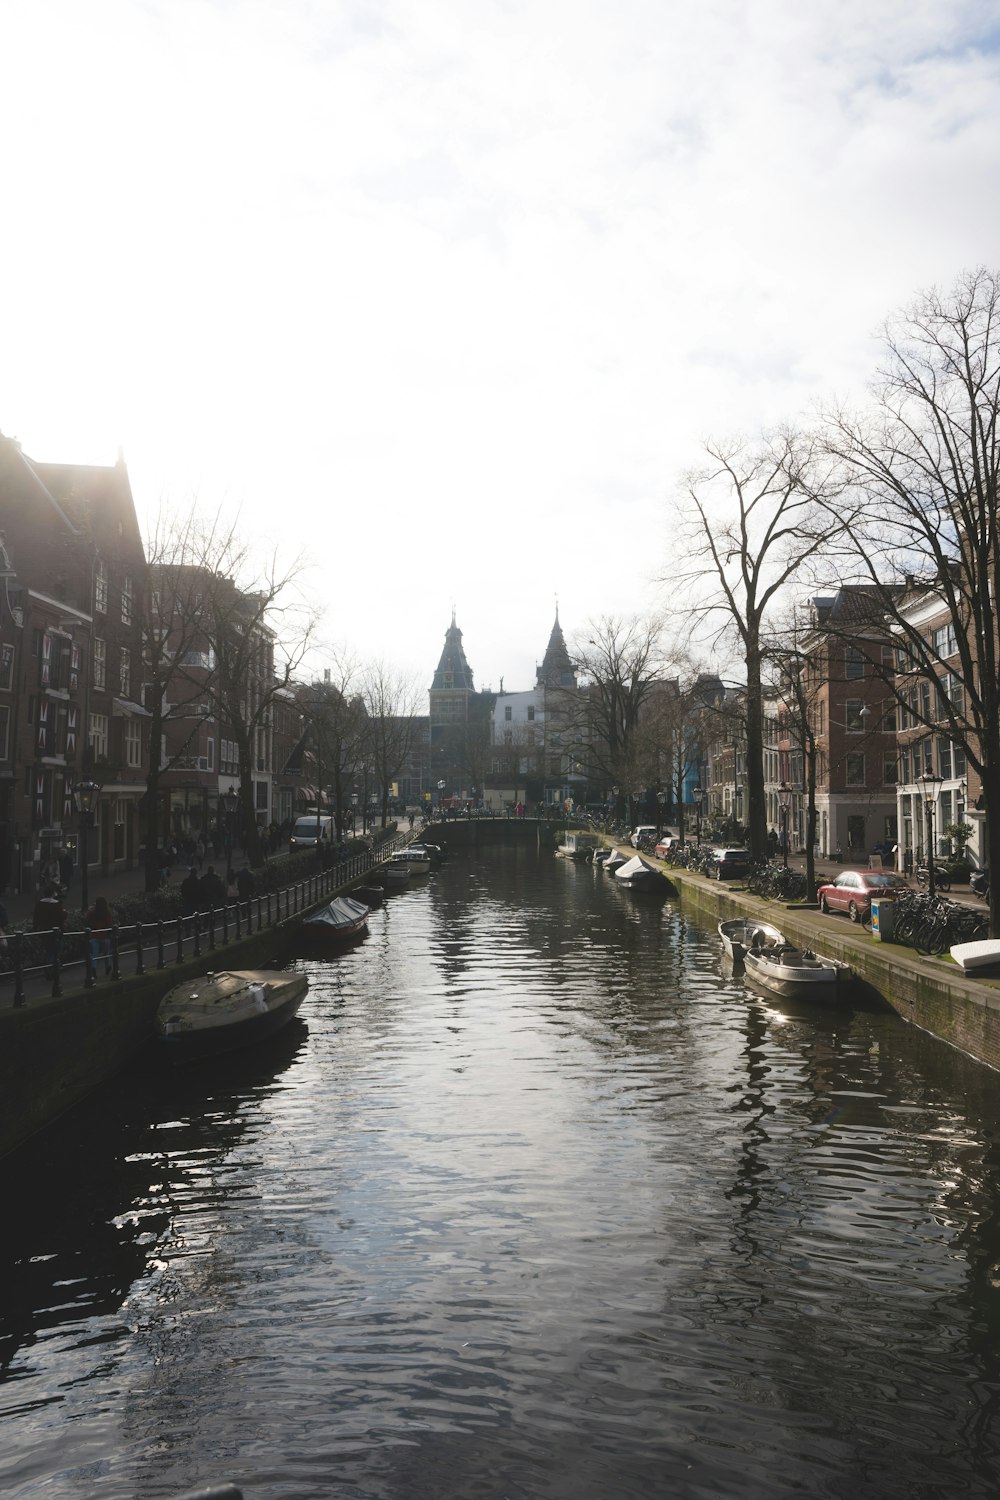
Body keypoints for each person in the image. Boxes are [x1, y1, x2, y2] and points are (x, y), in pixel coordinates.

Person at [84, 895, 114, 976]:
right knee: (106, 953)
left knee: (94, 954)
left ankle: (93, 968)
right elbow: (110, 925)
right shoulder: (107, 913)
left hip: (94, 936)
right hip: (105, 936)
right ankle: (107, 966)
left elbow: (86, 921)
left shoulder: (92, 912)